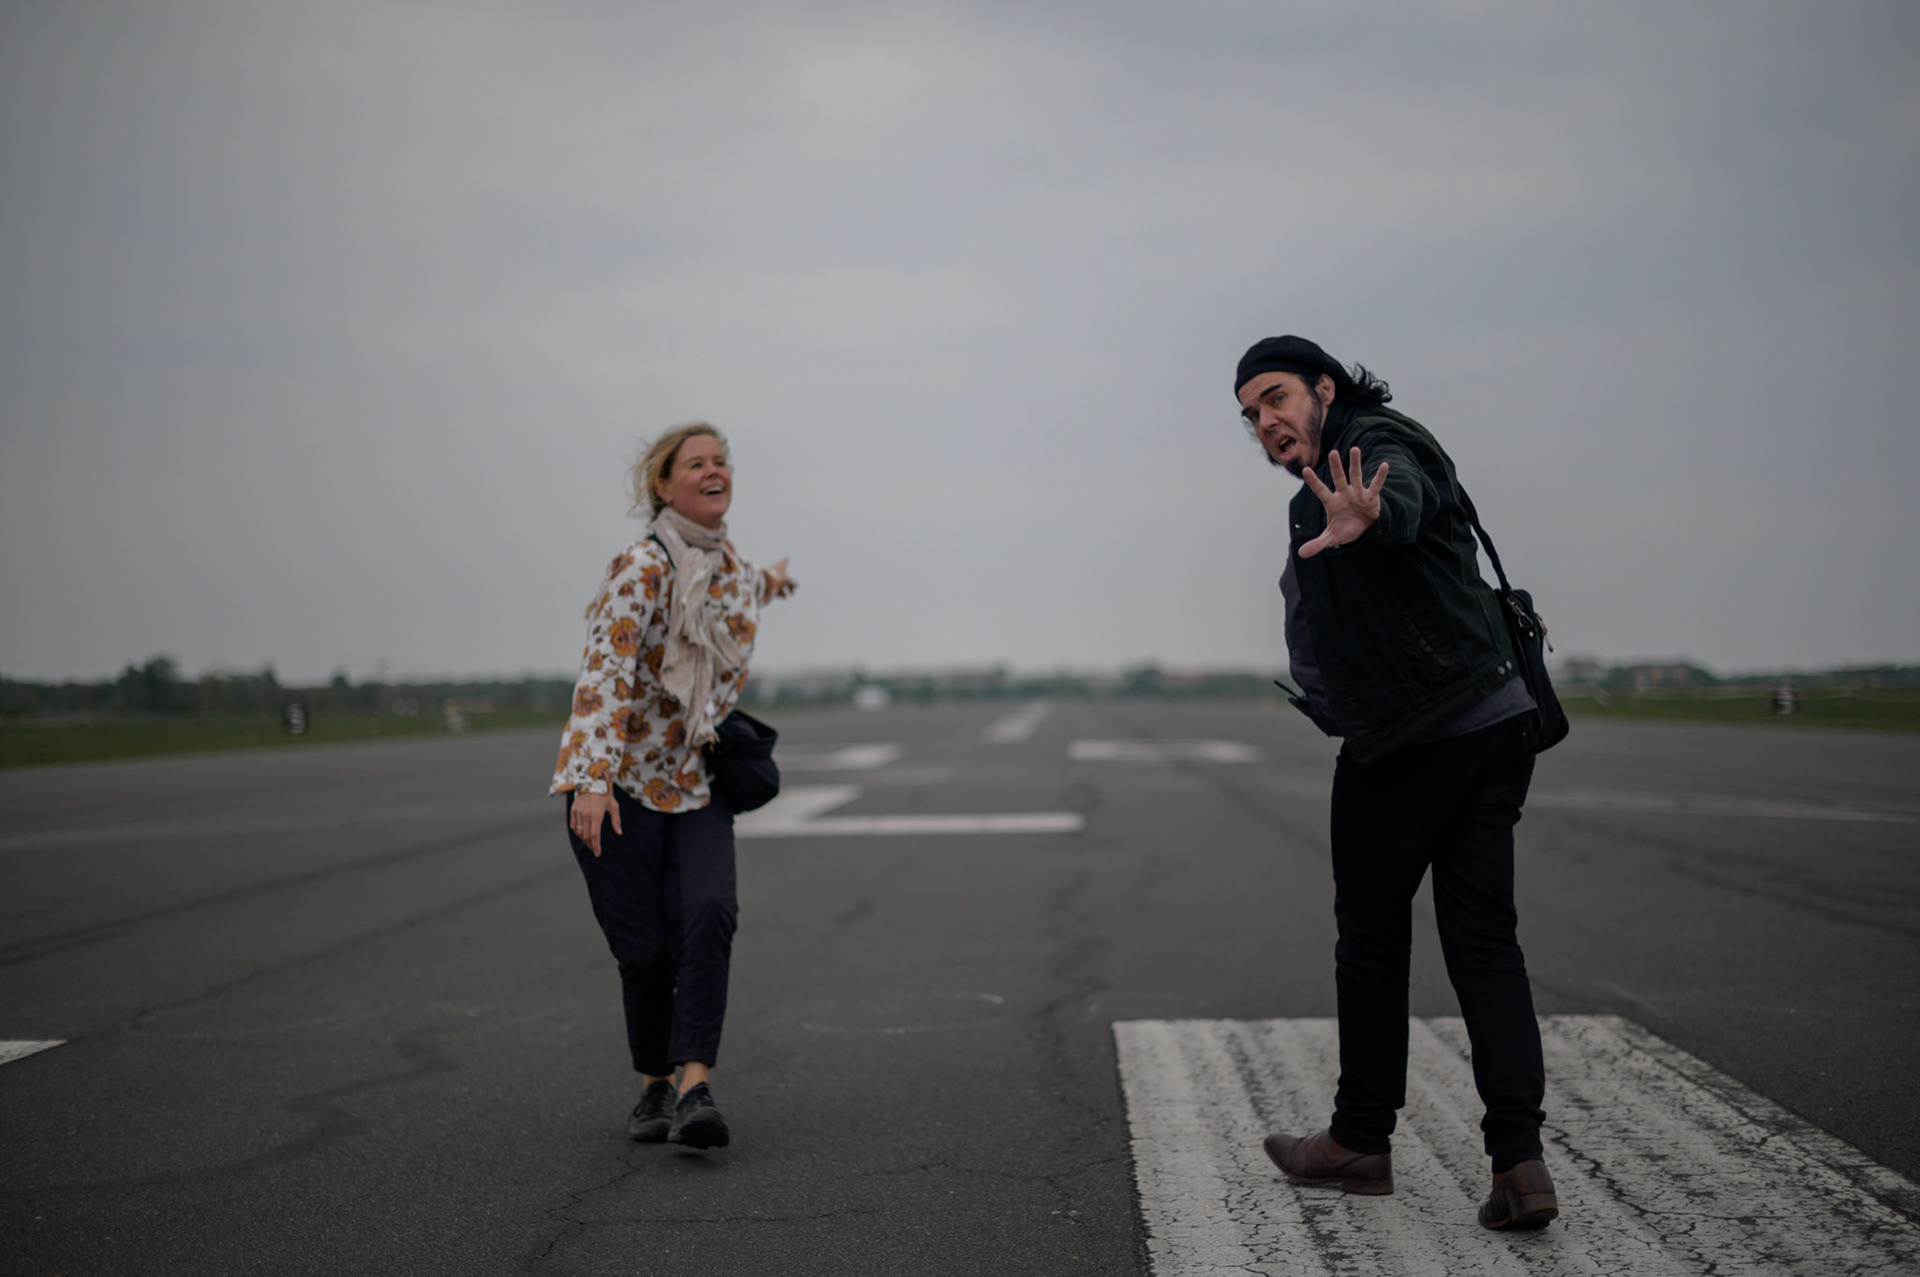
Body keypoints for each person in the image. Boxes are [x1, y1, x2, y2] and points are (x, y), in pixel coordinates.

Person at [1235, 335, 1558, 1230]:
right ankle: (1519, 1163)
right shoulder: (1334, 471)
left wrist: (1369, 517)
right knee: (1486, 943)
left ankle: (1359, 1138)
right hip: (1493, 725)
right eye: (1251, 415)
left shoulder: (1371, 451)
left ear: (1323, 389)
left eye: (1276, 398)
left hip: (1416, 742)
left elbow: (1402, 495)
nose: (1265, 422)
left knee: (1372, 943)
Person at [551, 422, 795, 1150]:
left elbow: (743, 587)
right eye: (697, 462)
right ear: (664, 485)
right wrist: (591, 779)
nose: (715, 469)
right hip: (618, 783)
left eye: (722, 460)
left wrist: (772, 582)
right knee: (648, 950)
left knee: (711, 912)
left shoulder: (727, 566)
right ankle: (654, 1084)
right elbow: (605, 671)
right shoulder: (641, 567)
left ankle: (695, 1084)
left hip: (693, 777)